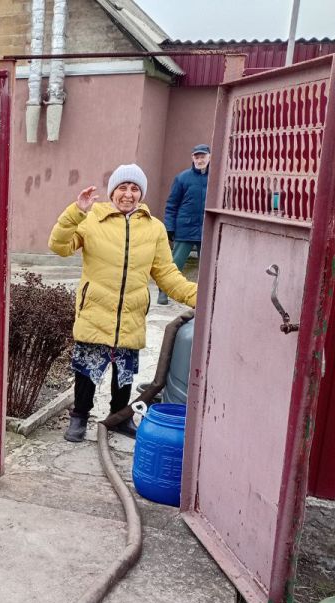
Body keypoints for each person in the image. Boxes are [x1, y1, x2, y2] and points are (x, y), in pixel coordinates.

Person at [49, 164, 197, 442]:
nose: (128, 194)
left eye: (134, 188)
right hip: (95, 308)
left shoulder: (155, 229)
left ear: (141, 193)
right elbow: (59, 246)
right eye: (122, 188)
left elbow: (167, 275)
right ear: (112, 192)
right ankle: (80, 417)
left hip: (130, 311)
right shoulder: (91, 219)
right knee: (86, 369)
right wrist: (76, 212)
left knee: (125, 373)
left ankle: (119, 417)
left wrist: (200, 296)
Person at [157, 144, 210, 305]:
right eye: (197, 157)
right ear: (192, 158)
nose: (200, 160)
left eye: (203, 157)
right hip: (184, 228)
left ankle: (204, 297)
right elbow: (172, 204)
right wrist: (170, 227)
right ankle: (163, 292)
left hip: (206, 229)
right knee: (174, 264)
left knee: (206, 266)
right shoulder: (182, 178)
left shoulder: (216, 177)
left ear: (210, 157)